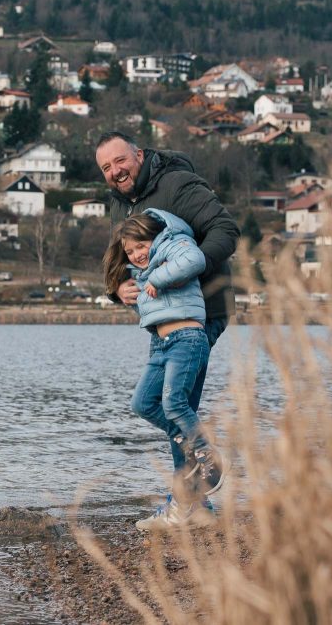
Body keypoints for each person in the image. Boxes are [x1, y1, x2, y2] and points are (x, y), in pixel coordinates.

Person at [95, 131, 239, 519]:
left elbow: (225, 232)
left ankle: (189, 503)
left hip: (201, 312)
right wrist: (117, 290)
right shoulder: (121, 205)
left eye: (120, 161)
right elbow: (122, 263)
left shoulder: (176, 184)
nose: (115, 171)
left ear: (139, 155)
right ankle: (194, 500)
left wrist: (179, 276)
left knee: (179, 405)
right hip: (162, 319)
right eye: (106, 168)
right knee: (166, 406)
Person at [103, 209, 229, 530]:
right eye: (130, 251)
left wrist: (156, 278)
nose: (136, 254)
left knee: (175, 404)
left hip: (187, 337)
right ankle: (189, 443)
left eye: (140, 246)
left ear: (153, 237)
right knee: (143, 403)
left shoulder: (173, 243)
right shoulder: (140, 269)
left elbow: (195, 262)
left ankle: (207, 456)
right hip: (161, 344)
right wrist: (123, 290)